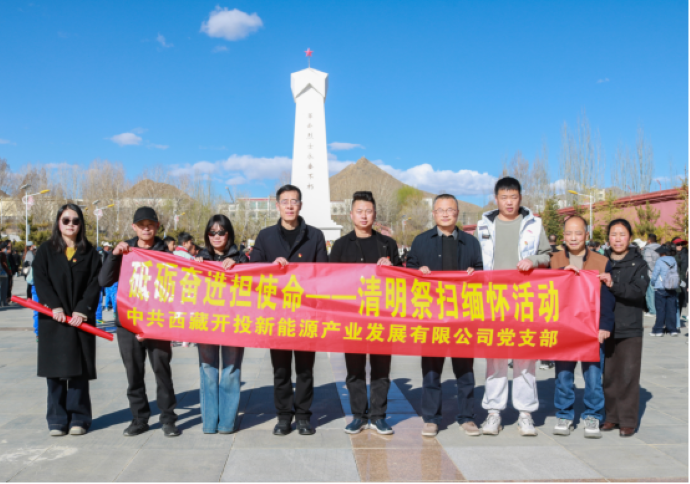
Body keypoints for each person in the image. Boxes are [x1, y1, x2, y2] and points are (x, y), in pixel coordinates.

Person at [474, 177, 551, 437]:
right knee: (495, 358)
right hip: (492, 301)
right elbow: (475, 258)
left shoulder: (534, 224)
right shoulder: (483, 225)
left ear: (520, 198)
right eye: (504, 197)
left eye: (514, 197)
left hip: (524, 300)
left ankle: (525, 414)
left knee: (525, 357)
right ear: (496, 198)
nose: (509, 202)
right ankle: (493, 412)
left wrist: (533, 260)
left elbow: (547, 255)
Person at [250, 185, 328, 437]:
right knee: (281, 369)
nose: (290, 206)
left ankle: (303, 416)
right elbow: (253, 269)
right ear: (277, 206)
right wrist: (270, 266)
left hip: (306, 314)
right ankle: (283, 417)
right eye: (285, 201)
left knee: (305, 369)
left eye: (294, 201)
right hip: (276, 315)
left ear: (300, 205)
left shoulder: (314, 236)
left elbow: (323, 272)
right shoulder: (265, 236)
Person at [99, 207, 181, 438]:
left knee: (162, 371)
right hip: (128, 322)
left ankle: (168, 418)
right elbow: (104, 280)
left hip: (157, 322)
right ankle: (139, 419)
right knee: (133, 373)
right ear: (134, 227)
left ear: (157, 227)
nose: (146, 228)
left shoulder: (166, 253)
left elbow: (177, 287)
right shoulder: (125, 250)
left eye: (151, 224)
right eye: (142, 225)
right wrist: (114, 255)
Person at [407, 194, 484, 438]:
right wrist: (417, 271)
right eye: (440, 210)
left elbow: (481, 272)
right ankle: (431, 419)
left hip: (463, 317)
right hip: (432, 317)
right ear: (434, 214)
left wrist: (475, 273)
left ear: (457, 213)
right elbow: (408, 272)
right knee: (431, 371)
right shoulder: (421, 241)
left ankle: (467, 417)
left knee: (465, 371)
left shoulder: (471, 242)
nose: (445, 214)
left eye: (450, 209)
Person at [329, 192, 403, 436]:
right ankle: (358, 416)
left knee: (381, 369)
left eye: (368, 211)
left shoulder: (388, 244)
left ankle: (379, 416)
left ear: (375, 214)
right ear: (351, 215)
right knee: (355, 370)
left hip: (382, 318)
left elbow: (403, 280)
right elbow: (331, 281)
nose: (364, 216)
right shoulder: (341, 245)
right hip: (351, 319)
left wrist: (393, 268)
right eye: (359, 211)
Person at [32, 204, 102, 437]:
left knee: (79, 374)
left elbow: (95, 284)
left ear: (81, 224)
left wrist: (83, 310)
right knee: (55, 373)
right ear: (58, 223)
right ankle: (57, 419)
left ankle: (79, 418)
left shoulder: (90, 253)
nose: (71, 224)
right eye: (66, 220)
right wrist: (54, 305)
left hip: (80, 321)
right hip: (54, 319)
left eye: (75, 220)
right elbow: (41, 280)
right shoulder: (46, 250)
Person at [551, 216, 615, 439]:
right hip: (564, 329)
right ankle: (564, 415)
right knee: (563, 376)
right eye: (569, 233)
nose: (573, 237)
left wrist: (605, 324)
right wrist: (561, 272)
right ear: (563, 236)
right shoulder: (554, 259)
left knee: (593, 376)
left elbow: (607, 296)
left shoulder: (601, 261)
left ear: (587, 235)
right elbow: (543, 288)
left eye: (578, 233)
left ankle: (593, 415)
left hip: (591, 329)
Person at [193, 215, 247, 434]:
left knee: (231, 370)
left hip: (234, 322)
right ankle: (209, 422)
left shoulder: (241, 258)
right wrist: (195, 268)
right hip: (206, 322)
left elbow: (255, 282)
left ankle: (226, 422)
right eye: (212, 232)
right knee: (207, 370)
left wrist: (238, 266)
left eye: (221, 232)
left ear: (229, 234)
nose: (216, 236)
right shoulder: (199, 258)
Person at [601, 219, 649, 438]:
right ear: (608, 238)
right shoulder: (602, 262)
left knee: (628, 375)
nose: (618, 239)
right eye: (614, 234)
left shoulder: (638, 263)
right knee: (609, 375)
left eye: (622, 234)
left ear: (629, 237)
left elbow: (638, 292)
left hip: (630, 327)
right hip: (606, 327)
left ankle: (628, 420)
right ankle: (611, 416)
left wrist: (613, 284)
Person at [650, 245, 680, 337]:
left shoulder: (659, 261)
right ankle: (672, 330)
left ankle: (659, 330)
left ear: (661, 253)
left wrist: (653, 283)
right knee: (671, 310)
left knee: (660, 310)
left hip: (660, 287)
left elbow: (655, 274)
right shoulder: (673, 260)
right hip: (672, 287)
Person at [643, 234, 661, 316]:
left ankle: (652, 311)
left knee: (650, 293)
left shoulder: (648, 249)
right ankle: (658, 309)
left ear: (649, 240)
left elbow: (648, 262)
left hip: (651, 274)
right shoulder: (661, 248)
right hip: (660, 274)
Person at [673, 238, 689, 326]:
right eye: (678, 244)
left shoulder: (684, 255)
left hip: (681, 282)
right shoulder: (671, 254)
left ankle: (676, 322)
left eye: (681, 244)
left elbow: (684, 270)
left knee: (679, 301)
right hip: (672, 281)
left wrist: (683, 281)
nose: (680, 246)